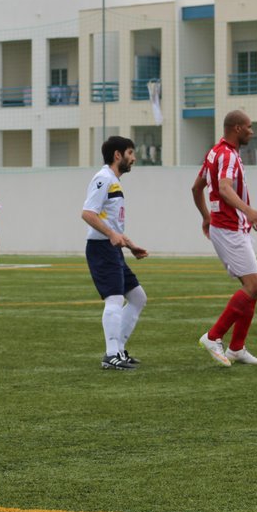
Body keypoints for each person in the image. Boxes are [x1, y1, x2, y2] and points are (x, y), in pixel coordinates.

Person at [191, 110, 257, 367]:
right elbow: (224, 188)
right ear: (237, 128)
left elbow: (196, 187)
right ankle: (213, 337)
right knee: (254, 286)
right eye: (249, 127)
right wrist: (249, 211)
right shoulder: (227, 155)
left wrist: (205, 217)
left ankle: (237, 348)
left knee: (253, 288)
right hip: (229, 228)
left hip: (229, 227)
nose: (252, 132)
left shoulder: (215, 152)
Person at [81, 136, 149, 370]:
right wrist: (111, 235)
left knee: (138, 297)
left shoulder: (113, 181)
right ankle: (111, 355)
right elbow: (88, 213)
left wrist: (130, 245)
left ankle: (118, 350)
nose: (134, 158)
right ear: (117, 155)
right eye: (130, 153)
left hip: (112, 249)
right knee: (114, 299)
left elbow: (111, 224)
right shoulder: (103, 179)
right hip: (101, 249)